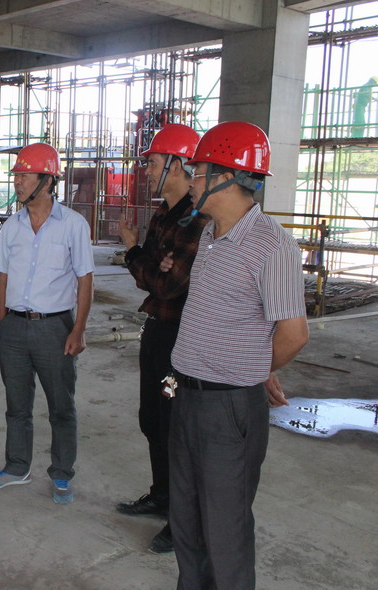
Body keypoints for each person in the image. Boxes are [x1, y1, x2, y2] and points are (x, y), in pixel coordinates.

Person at [169, 121, 309, 589]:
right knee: (187, 522)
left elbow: (294, 333)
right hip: (187, 398)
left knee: (224, 531)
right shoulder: (210, 234)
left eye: (197, 172)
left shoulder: (271, 246)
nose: (190, 181)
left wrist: (255, 368)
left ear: (225, 177)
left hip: (227, 409)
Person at [0, 142, 95, 504]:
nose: (17, 182)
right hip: (14, 327)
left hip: (54, 328)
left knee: (61, 407)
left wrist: (78, 329)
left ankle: (61, 474)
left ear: (47, 181)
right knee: (17, 405)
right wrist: (2, 322)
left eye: (24, 175)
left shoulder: (73, 225)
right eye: (16, 175)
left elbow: (85, 280)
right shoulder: (11, 227)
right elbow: (2, 277)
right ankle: (17, 467)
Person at [115, 124, 207, 553]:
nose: (147, 170)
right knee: (152, 419)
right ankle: (162, 495)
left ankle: (181, 519)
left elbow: (167, 285)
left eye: (152, 163)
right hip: (158, 331)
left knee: (175, 426)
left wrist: (135, 253)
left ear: (177, 165)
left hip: (183, 341)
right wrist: (150, 263)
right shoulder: (162, 216)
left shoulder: (199, 220)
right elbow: (150, 279)